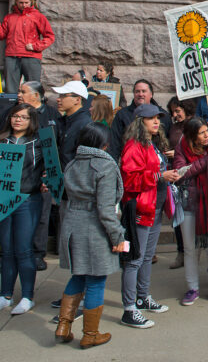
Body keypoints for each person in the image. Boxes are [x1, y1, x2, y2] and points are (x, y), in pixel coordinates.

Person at [55, 123, 125, 349]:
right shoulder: (104, 165)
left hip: (72, 222)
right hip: (93, 228)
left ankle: (64, 325)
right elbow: (105, 209)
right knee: (96, 280)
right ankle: (90, 333)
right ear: (104, 143)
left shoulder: (73, 163)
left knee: (78, 275)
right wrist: (117, 236)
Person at [119, 104, 180, 328]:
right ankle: (129, 308)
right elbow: (130, 180)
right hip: (141, 207)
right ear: (139, 122)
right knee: (134, 259)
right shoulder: (133, 146)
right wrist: (160, 175)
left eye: (157, 118)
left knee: (146, 256)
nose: (156, 122)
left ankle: (142, 297)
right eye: (151, 118)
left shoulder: (151, 144)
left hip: (154, 206)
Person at [174, 117, 208, 306]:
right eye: (201, 133)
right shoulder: (182, 148)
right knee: (190, 249)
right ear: (192, 136)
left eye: (207, 131)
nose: (206, 136)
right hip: (189, 204)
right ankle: (192, 288)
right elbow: (182, 172)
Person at [0, 104, 44, 315]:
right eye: (15, 116)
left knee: (24, 248)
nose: (17, 120)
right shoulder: (2, 141)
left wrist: (46, 181)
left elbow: (51, 169)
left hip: (28, 200)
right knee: (6, 249)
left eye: (23, 117)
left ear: (31, 120)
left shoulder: (39, 142)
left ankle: (27, 296)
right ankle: (5, 294)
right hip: (5, 198)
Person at [16, 81, 60, 271]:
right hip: (18, 175)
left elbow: (57, 144)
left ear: (36, 95)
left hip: (43, 174)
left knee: (42, 216)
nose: (18, 94)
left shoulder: (52, 115)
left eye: (22, 91)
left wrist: (50, 173)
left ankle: (37, 254)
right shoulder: (15, 113)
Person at [0, 0, 55, 94]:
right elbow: (2, 34)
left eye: (26, 3)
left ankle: (33, 109)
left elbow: (50, 36)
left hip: (31, 56)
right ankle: (12, 109)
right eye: (21, 3)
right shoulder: (9, 17)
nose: (24, 5)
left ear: (31, 2)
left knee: (33, 89)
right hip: (12, 56)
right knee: (10, 90)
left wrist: (35, 46)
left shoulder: (38, 17)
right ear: (16, 2)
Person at [165, 96, 196, 270]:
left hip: (193, 174)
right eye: (173, 112)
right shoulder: (173, 127)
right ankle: (181, 252)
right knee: (178, 216)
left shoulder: (196, 125)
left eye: (178, 111)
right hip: (176, 176)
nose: (175, 115)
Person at [110, 80, 171, 161]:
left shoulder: (164, 115)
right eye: (137, 91)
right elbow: (114, 143)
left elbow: (169, 140)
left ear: (151, 94)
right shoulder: (122, 115)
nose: (140, 94)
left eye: (144, 91)